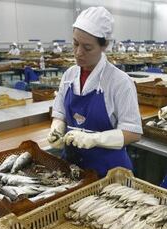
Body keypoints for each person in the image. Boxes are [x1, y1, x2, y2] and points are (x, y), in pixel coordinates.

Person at [47, 6, 142, 177]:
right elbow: (59, 112)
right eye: (75, 43)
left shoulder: (119, 82)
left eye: (87, 48)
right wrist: (57, 128)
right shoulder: (69, 75)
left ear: (104, 45)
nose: (78, 53)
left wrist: (94, 139)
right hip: (73, 168)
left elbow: (133, 133)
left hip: (109, 171)